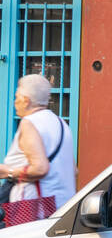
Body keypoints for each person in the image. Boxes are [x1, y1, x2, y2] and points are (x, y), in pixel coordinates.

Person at [0, 74, 77, 222]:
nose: (15, 102)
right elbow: (74, 170)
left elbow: (40, 168)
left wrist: (8, 172)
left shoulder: (29, 123)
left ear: (26, 100)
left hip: (33, 207)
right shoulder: (61, 123)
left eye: (17, 97)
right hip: (63, 206)